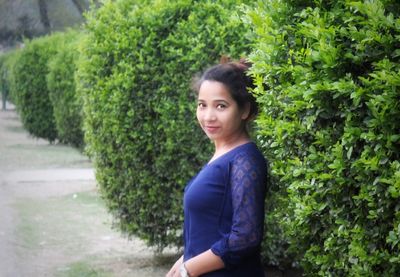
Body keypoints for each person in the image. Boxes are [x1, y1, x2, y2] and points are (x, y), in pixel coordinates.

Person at [166, 58, 268, 277]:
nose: (208, 116)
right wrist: (185, 258)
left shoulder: (245, 161)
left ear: (244, 110)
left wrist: (188, 269)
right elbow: (212, 226)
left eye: (221, 106)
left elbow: (245, 237)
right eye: (202, 105)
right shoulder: (223, 154)